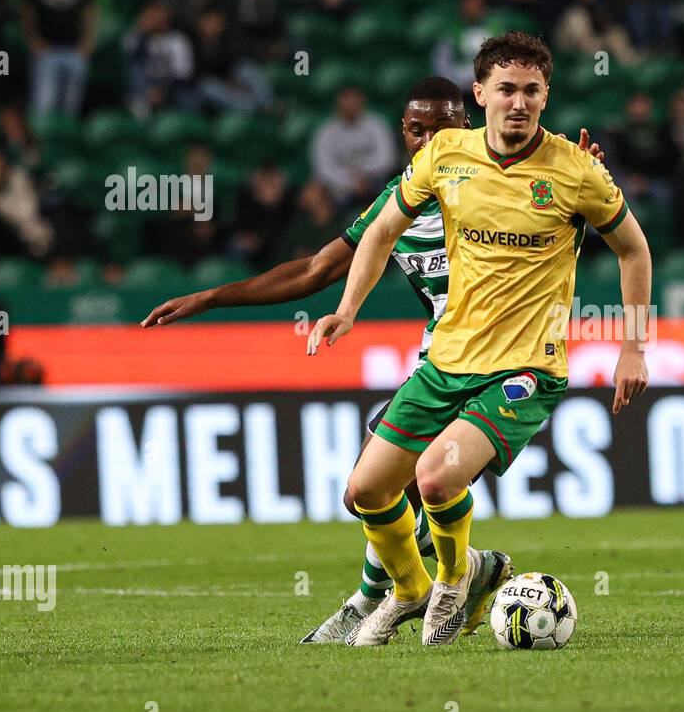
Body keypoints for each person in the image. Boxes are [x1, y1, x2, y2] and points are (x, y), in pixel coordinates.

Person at [142, 76, 607, 643]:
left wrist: (571, 175)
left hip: (513, 363)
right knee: (366, 494)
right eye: (416, 130)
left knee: (419, 484)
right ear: (403, 134)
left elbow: (578, 213)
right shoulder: (402, 199)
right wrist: (212, 298)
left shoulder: (504, 179)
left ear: (468, 125)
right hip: (444, 360)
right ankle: (447, 580)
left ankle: (377, 600)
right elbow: (316, 269)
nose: (428, 140)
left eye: (442, 128)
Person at [306, 32, 651, 646]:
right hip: (445, 361)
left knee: (437, 479)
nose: (519, 103)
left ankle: (451, 588)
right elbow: (383, 230)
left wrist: (634, 345)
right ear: (480, 93)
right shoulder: (445, 156)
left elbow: (633, 248)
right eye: (507, 89)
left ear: (546, 97)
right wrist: (347, 308)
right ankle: (410, 592)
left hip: (526, 368)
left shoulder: (577, 171)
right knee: (366, 491)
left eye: (532, 91)